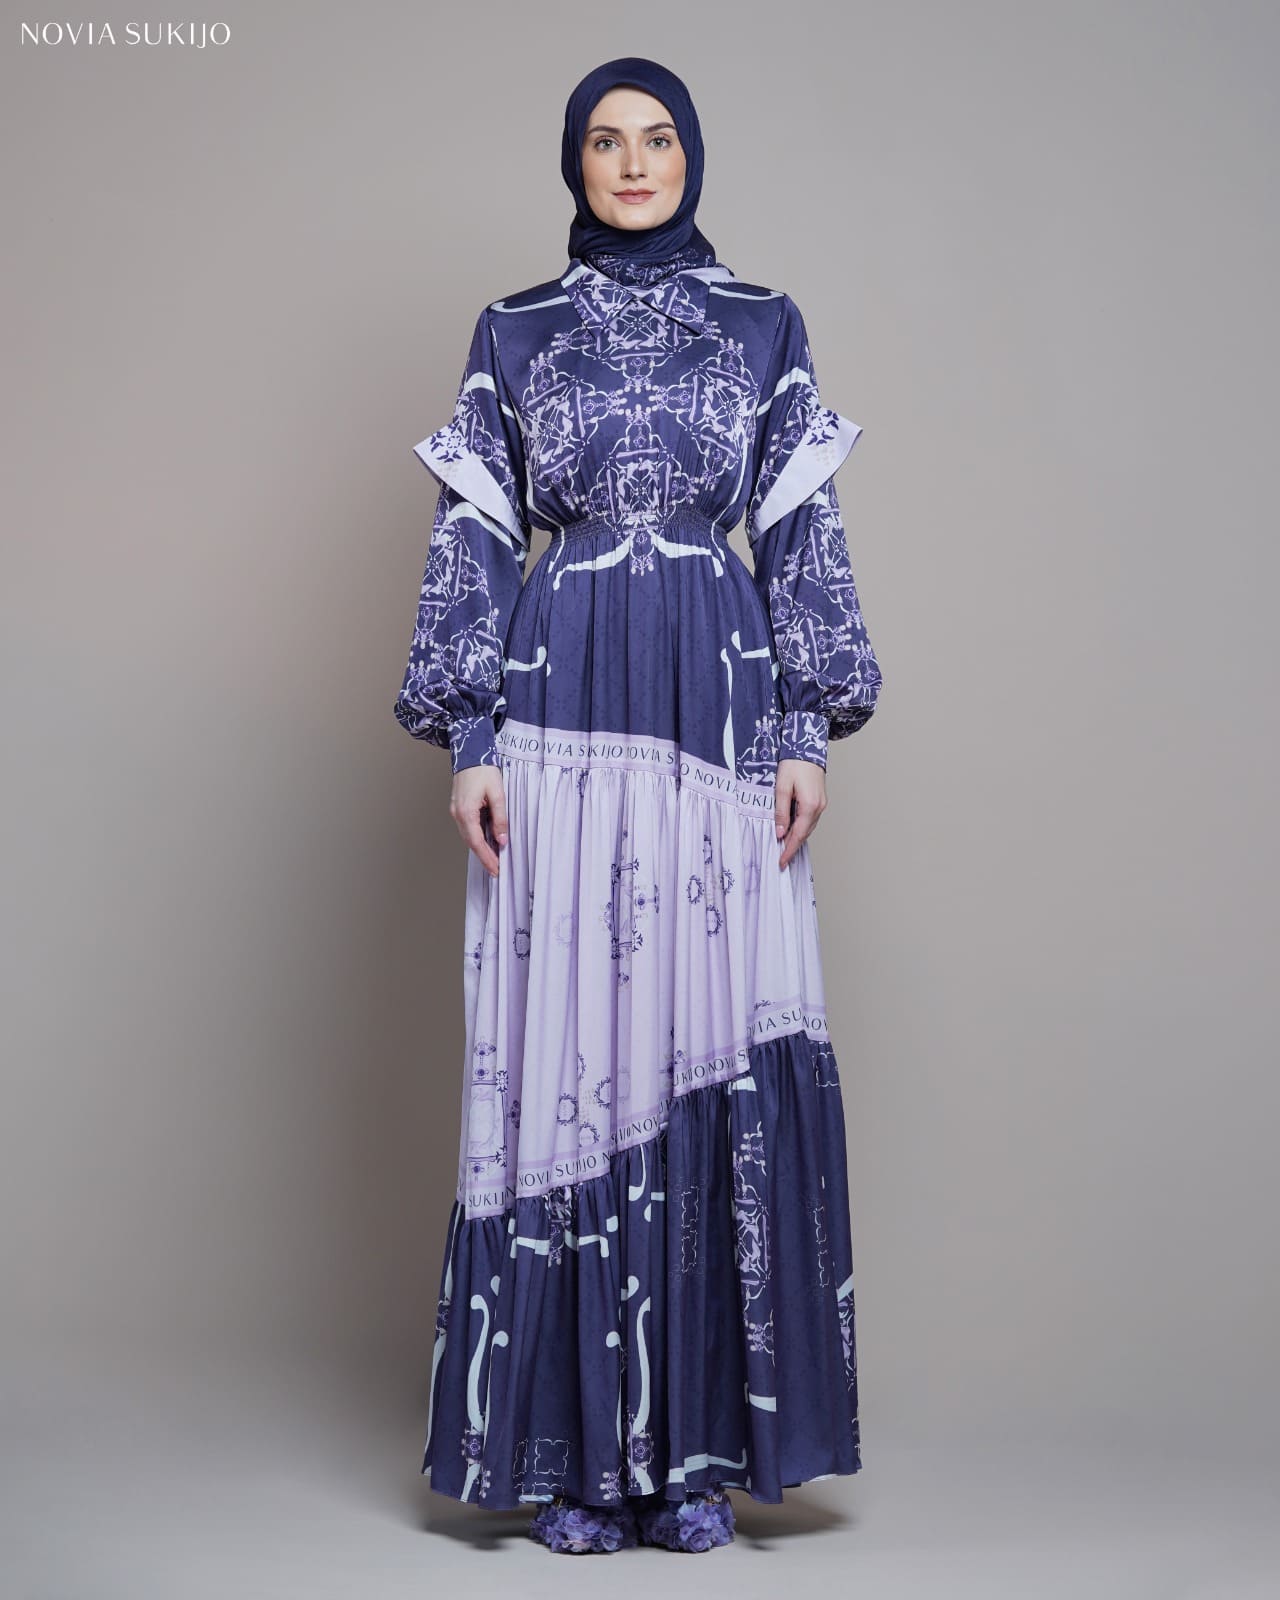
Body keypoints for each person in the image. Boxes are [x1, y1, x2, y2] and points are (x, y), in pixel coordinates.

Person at [394, 56, 883, 1557]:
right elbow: (475, 532)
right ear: (574, 163)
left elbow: (801, 529)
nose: (630, 163)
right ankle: (578, 1461)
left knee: (705, 1032)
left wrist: (807, 723)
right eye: (604, 141)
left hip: (719, 700)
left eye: (656, 138)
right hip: (559, 699)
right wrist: (469, 735)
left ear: (691, 157)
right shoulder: (515, 330)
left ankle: (695, 1463)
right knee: (573, 1052)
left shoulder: (763, 323)